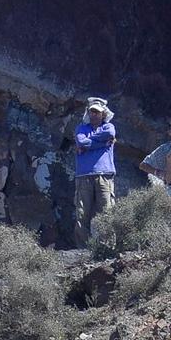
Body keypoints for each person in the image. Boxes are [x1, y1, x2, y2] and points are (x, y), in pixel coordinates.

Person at [72, 97, 117, 246]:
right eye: (91, 111)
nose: (94, 115)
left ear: (103, 114)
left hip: (104, 174)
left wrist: (89, 143)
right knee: (82, 213)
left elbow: (109, 135)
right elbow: (81, 142)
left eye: (97, 112)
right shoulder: (81, 128)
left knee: (106, 211)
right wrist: (102, 143)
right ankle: (83, 248)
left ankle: (107, 246)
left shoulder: (109, 126)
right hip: (84, 175)